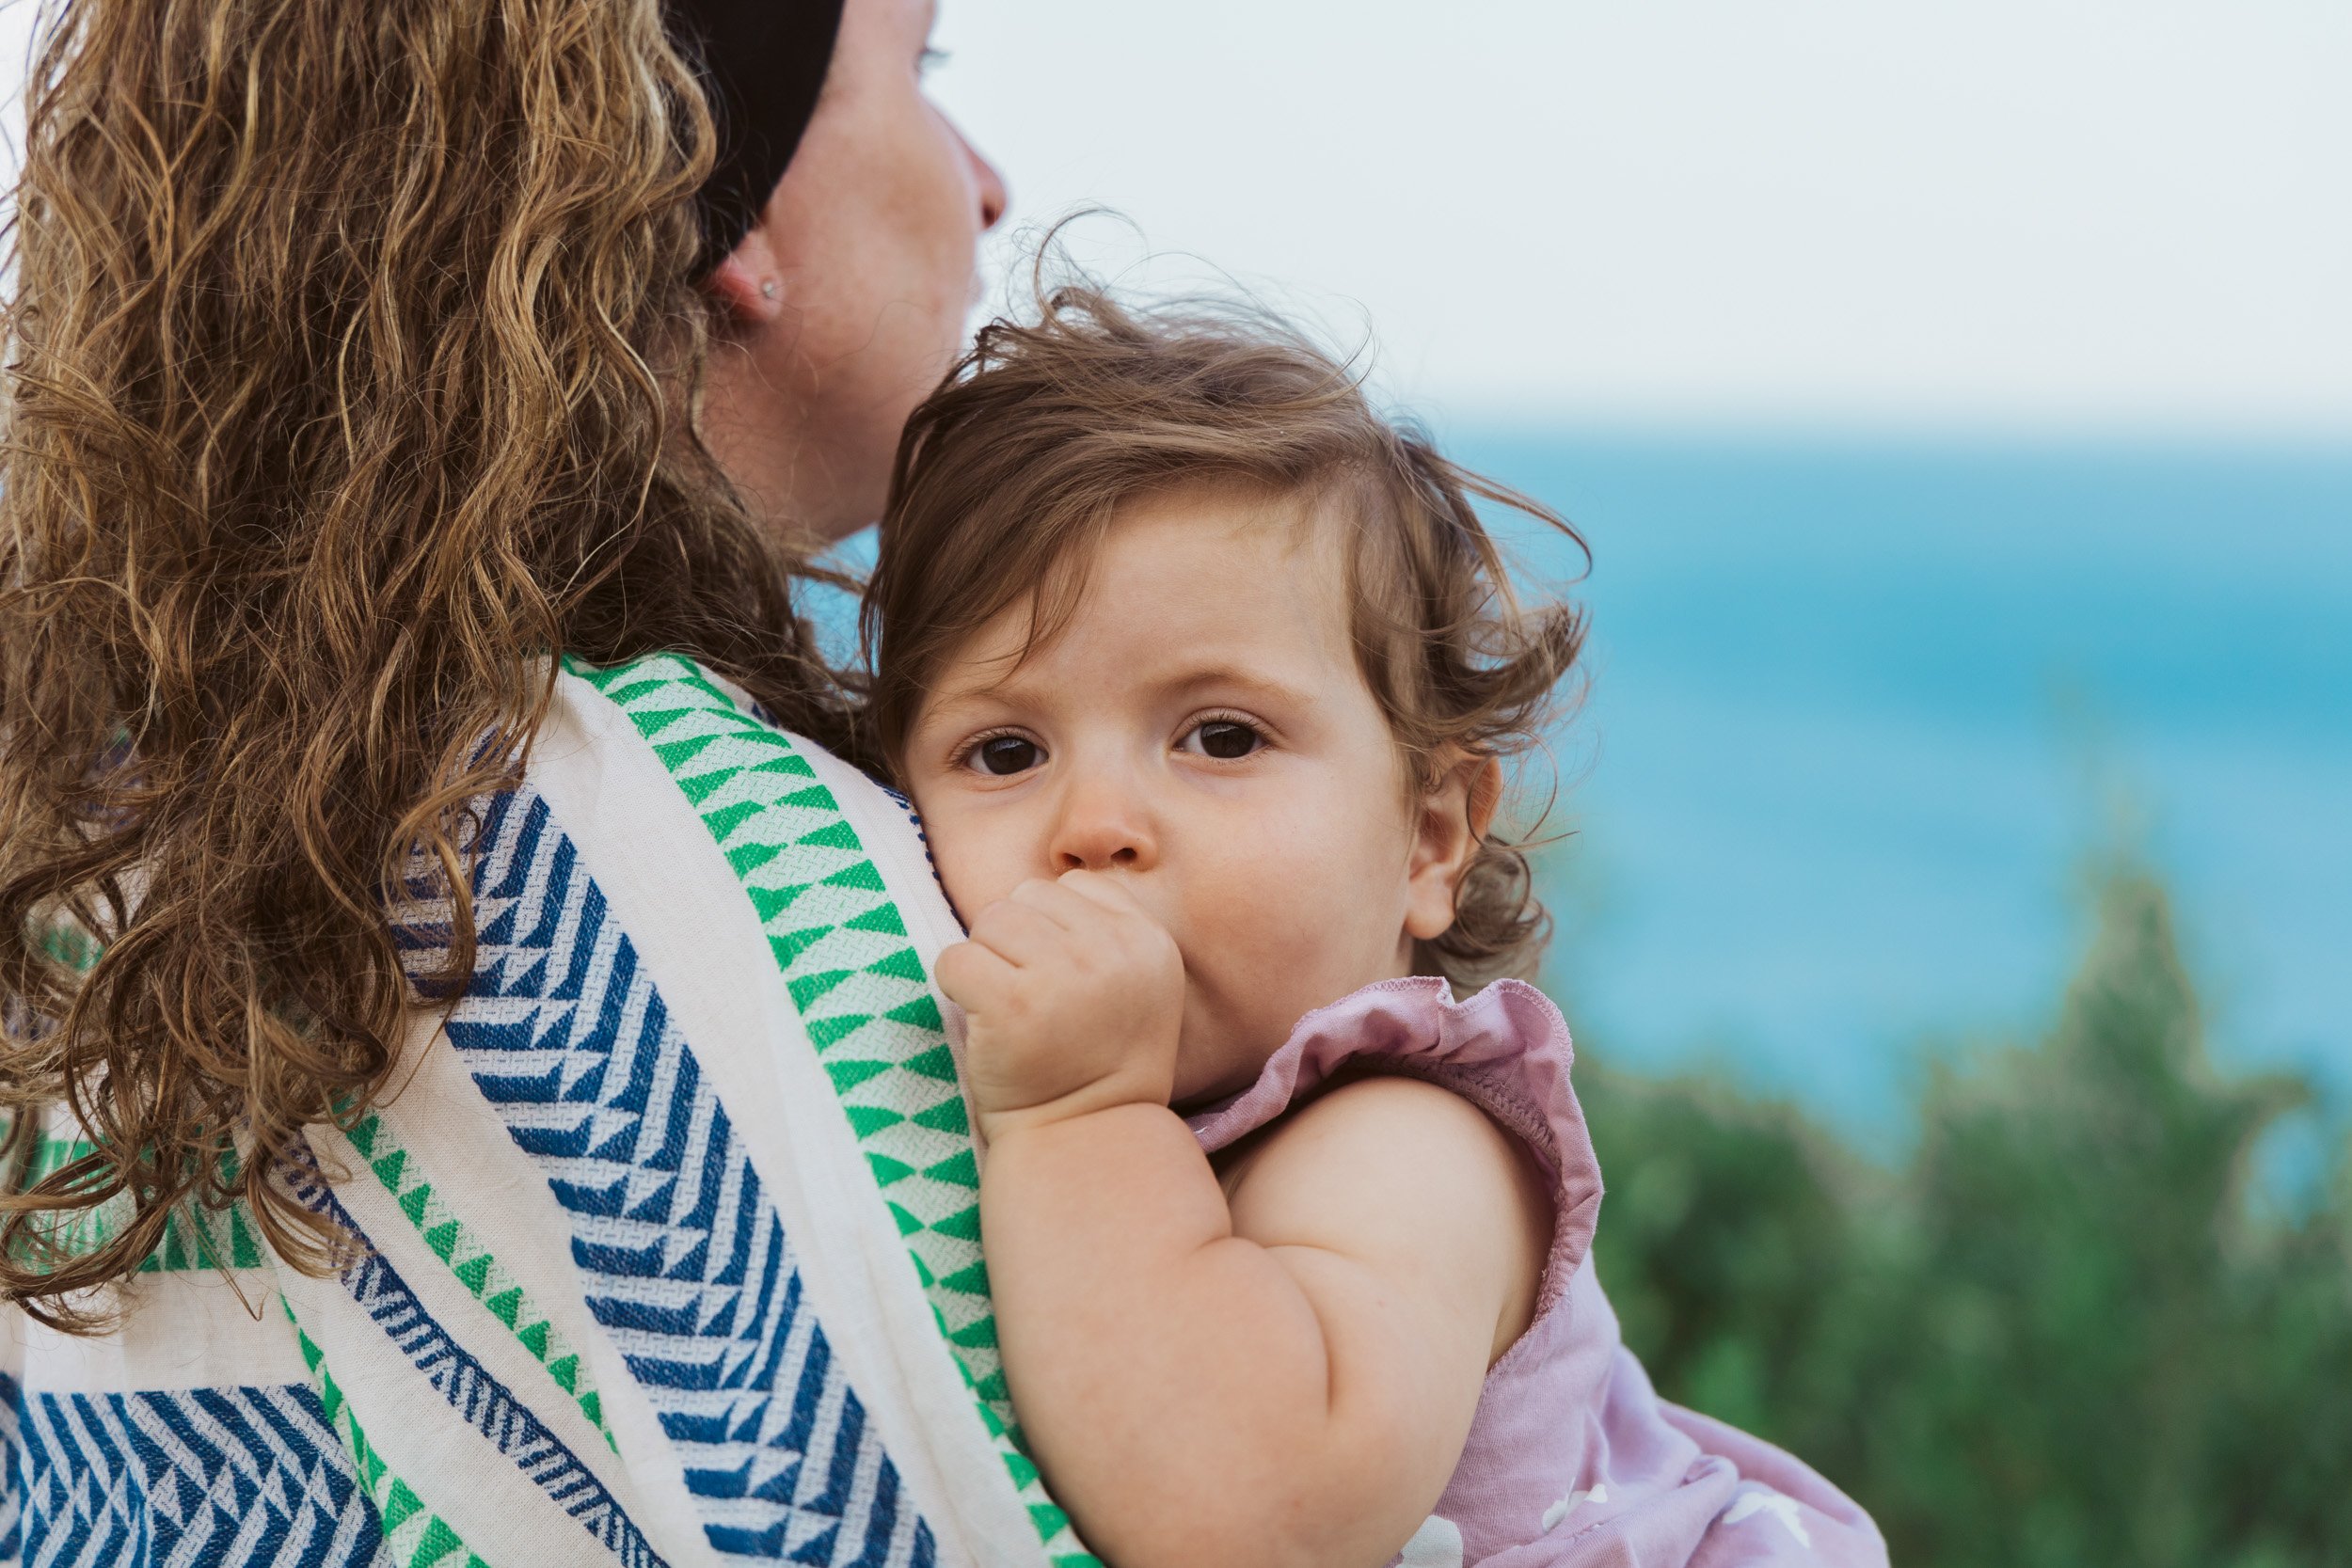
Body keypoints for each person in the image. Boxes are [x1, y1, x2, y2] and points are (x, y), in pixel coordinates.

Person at [0, 1, 1086, 1564]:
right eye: (919, 73)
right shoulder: (687, 862)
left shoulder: (108, 840)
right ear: (731, 201)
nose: (981, 181)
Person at [861, 287, 1892, 1568]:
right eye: (1004, 750)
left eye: (1221, 736)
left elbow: (1249, 1516)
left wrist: (1083, 1116)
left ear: (1429, 838)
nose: (1095, 825)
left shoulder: (1408, 1136)